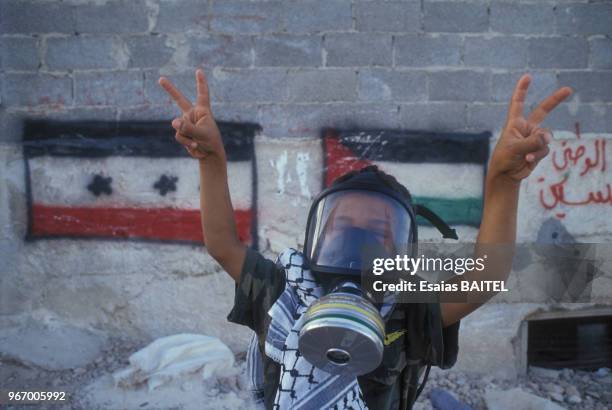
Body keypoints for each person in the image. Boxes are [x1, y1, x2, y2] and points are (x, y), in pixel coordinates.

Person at [158, 69, 572, 409]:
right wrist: (213, 160)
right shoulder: (281, 290)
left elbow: (488, 275)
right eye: (343, 228)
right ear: (316, 233)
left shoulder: (405, 307)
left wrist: (502, 181)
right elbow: (222, 244)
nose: (355, 244)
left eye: (376, 233)